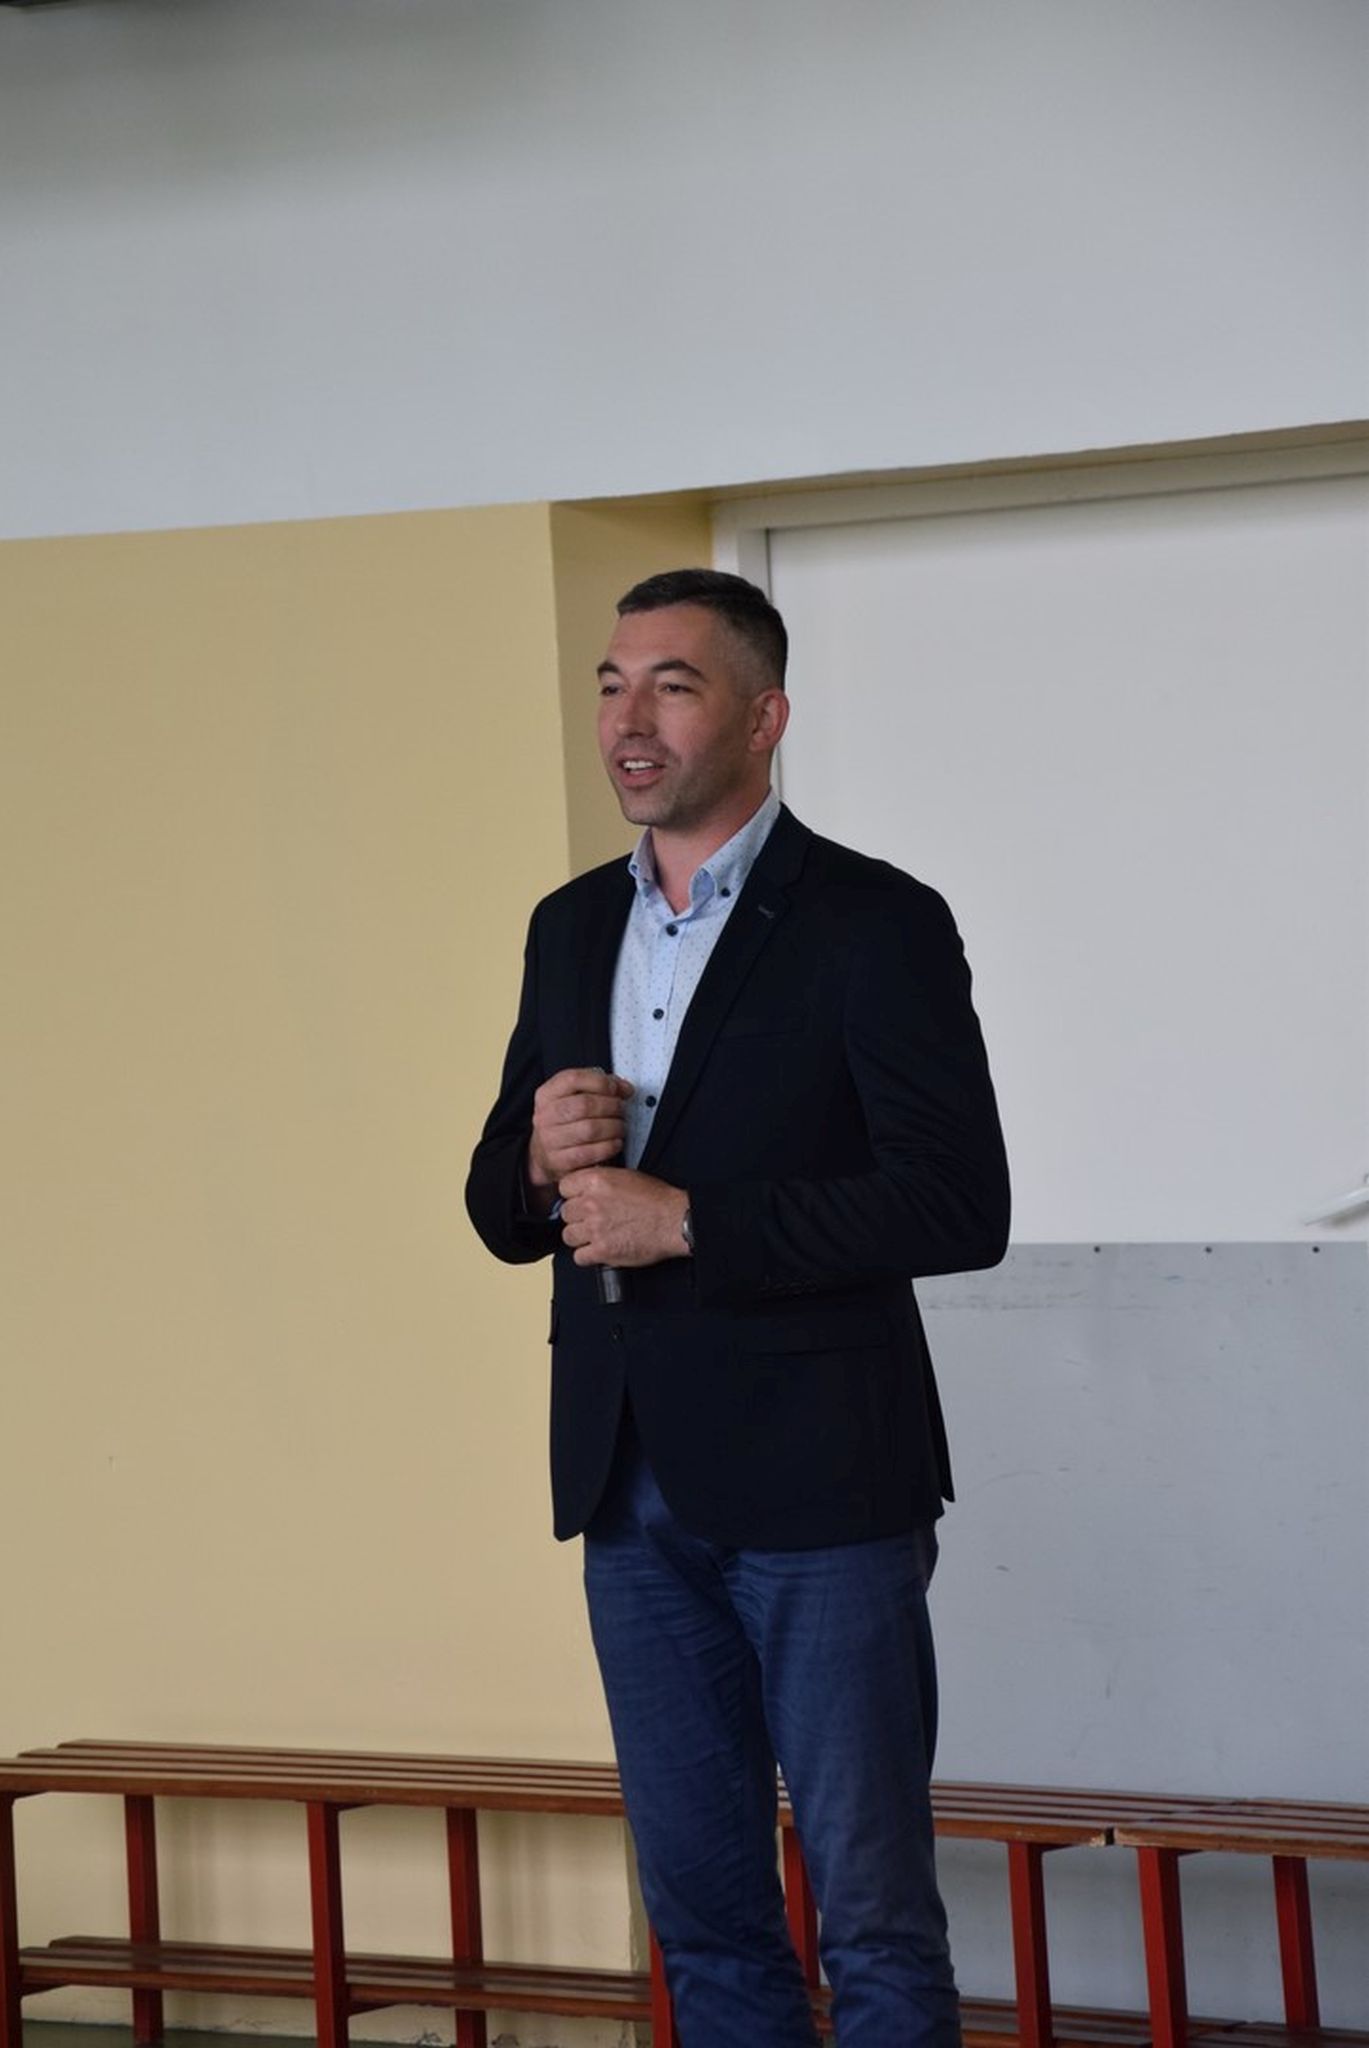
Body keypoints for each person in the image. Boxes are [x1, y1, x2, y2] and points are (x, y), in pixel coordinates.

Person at [465, 567, 1009, 2047]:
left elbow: (959, 1205)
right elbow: (502, 1206)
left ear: (764, 719)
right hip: (626, 1483)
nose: (627, 720)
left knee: (871, 1914)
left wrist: (693, 1220)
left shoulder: (873, 921)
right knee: (702, 1917)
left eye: (673, 685)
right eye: (609, 685)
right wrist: (535, 1160)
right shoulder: (569, 925)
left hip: (824, 1487)